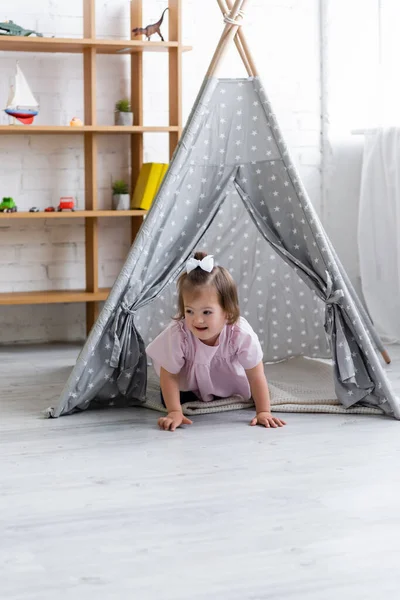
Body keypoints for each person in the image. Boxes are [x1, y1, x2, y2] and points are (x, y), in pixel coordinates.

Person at [146, 251, 286, 432]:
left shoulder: (239, 333)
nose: (197, 320)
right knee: (170, 396)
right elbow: (169, 375)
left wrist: (264, 411)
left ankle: (223, 392)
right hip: (188, 387)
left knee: (250, 391)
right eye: (189, 311)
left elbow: (255, 374)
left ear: (227, 312)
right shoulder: (179, 334)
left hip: (227, 386)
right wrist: (174, 411)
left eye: (206, 312)